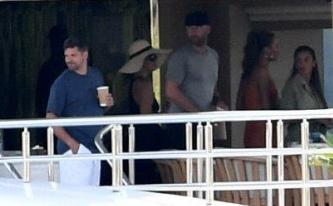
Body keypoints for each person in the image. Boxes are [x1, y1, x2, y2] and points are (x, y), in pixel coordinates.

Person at [46, 36, 114, 185]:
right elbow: (51, 116)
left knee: (92, 194)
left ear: (85, 55)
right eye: (66, 56)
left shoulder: (96, 75)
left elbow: (99, 109)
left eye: (73, 55)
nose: (69, 60)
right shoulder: (62, 83)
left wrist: (108, 103)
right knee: (76, 195)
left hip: (96, 147)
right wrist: (72, 144)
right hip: (75, 151)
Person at [165, 11, 228, 148]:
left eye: (197, 27)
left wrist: (218, 101)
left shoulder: (213, 56)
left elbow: (212, 85)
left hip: (203, 123)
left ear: (208, 29)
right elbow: (171, 91)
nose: (193, 31)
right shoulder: (180, 56)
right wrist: (196, 111)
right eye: (189, 28)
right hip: (181, 124)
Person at [119, 39, 171, 185]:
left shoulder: (132, 82)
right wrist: (164, 115)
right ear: (142, 61)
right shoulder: (144, 83)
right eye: (151, 57)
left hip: (136, 138)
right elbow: (146, 116)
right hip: (146, 139)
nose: (155, 61)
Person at [237, 30, 280, 148]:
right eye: (276, 46)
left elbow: (239, 105)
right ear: (266, 50)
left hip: (251, 129)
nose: (278, 50)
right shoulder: (261, 72)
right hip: (264, 132)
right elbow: (266, 107)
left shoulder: (249, 72)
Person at [281, 45, 328, 144]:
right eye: (299, 61)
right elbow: (285, 116)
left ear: (313, 63)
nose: (302, 64)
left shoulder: (314, 87)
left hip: (315, 140)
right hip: (298, 141)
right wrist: (314, 117)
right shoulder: (293, 85)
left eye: (306, 60)